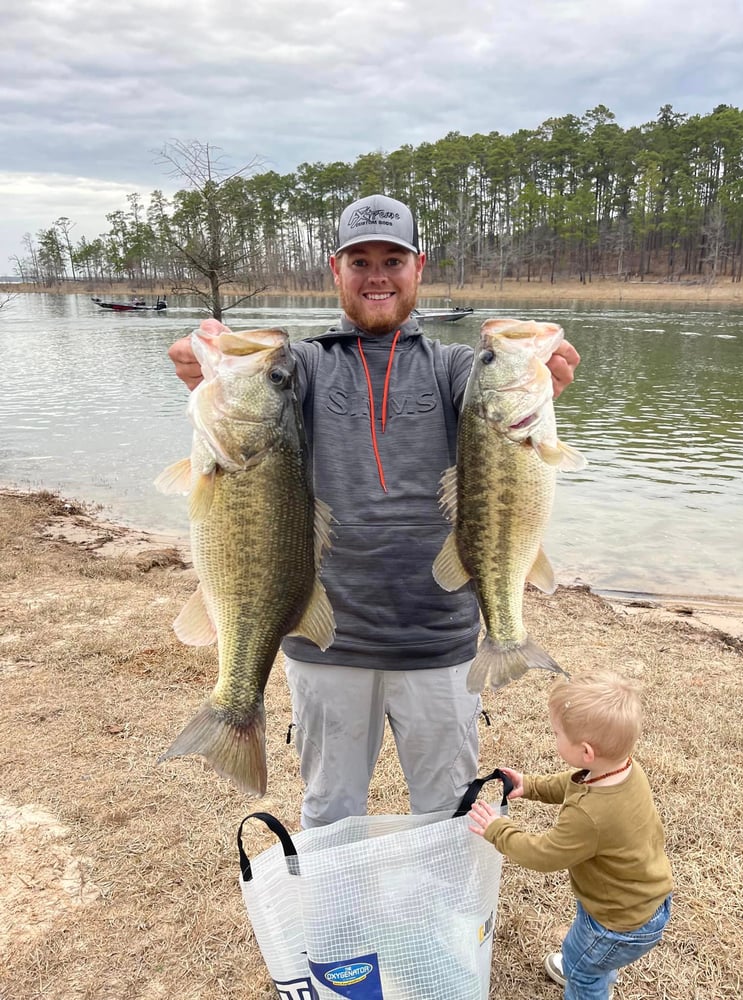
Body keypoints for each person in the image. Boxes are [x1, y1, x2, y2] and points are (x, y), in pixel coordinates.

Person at [167, 193, 581, 829]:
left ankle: (447, 926)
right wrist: (204, 369)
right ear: (336, 271)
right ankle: (333, 928)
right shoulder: (298, 366)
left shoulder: (453, 368)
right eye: (360, 261)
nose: (377, 275)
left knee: (450, 814)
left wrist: (541, 376)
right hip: (326, 639)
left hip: (439, 640)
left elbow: (505, 416)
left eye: (393, 259)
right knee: (330, 813)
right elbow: (241, 399)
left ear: (420, 268)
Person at [468, 671, 673, 1000]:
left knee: (582, 965)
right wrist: (531, 785)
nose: (554, 737)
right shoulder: (624, 770)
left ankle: (584, 975)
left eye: (556, 733)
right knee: (594, 959)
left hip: (613, 923)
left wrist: (498, 829)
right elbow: (573, 782)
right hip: (646, 901)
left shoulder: (589, 816)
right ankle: (594, 966)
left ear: (587, 752)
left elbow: (543, 854)